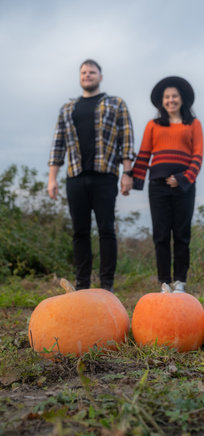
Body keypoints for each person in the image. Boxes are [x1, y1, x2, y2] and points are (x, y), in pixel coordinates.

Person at [48, 59, 135, 292]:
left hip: (104, 176)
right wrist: (52, 178)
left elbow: (126, 140)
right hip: (75, 176)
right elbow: (58, 144)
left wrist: (127, 173)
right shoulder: (68, 109)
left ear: (100, 76)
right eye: (84, 72)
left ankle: (107, 285)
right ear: (80, 77)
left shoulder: (115, 104)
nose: (88, 75)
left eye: (92, 72)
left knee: (106, 229)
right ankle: (83, 285)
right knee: (80, 232)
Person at [131, 76, 204, 293]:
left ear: (182, 99)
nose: (171, 100)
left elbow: (198, 156)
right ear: (162, 101)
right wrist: (133, 180)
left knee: (181, 235)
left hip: (184, 187)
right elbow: (144, 155)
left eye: (174, 96)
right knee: (161, 235)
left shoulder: (193, 124)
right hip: (158, 187)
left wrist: (182, 179)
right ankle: (165, 282)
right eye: (167, 97)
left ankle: (180, 281)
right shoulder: (153, 125)